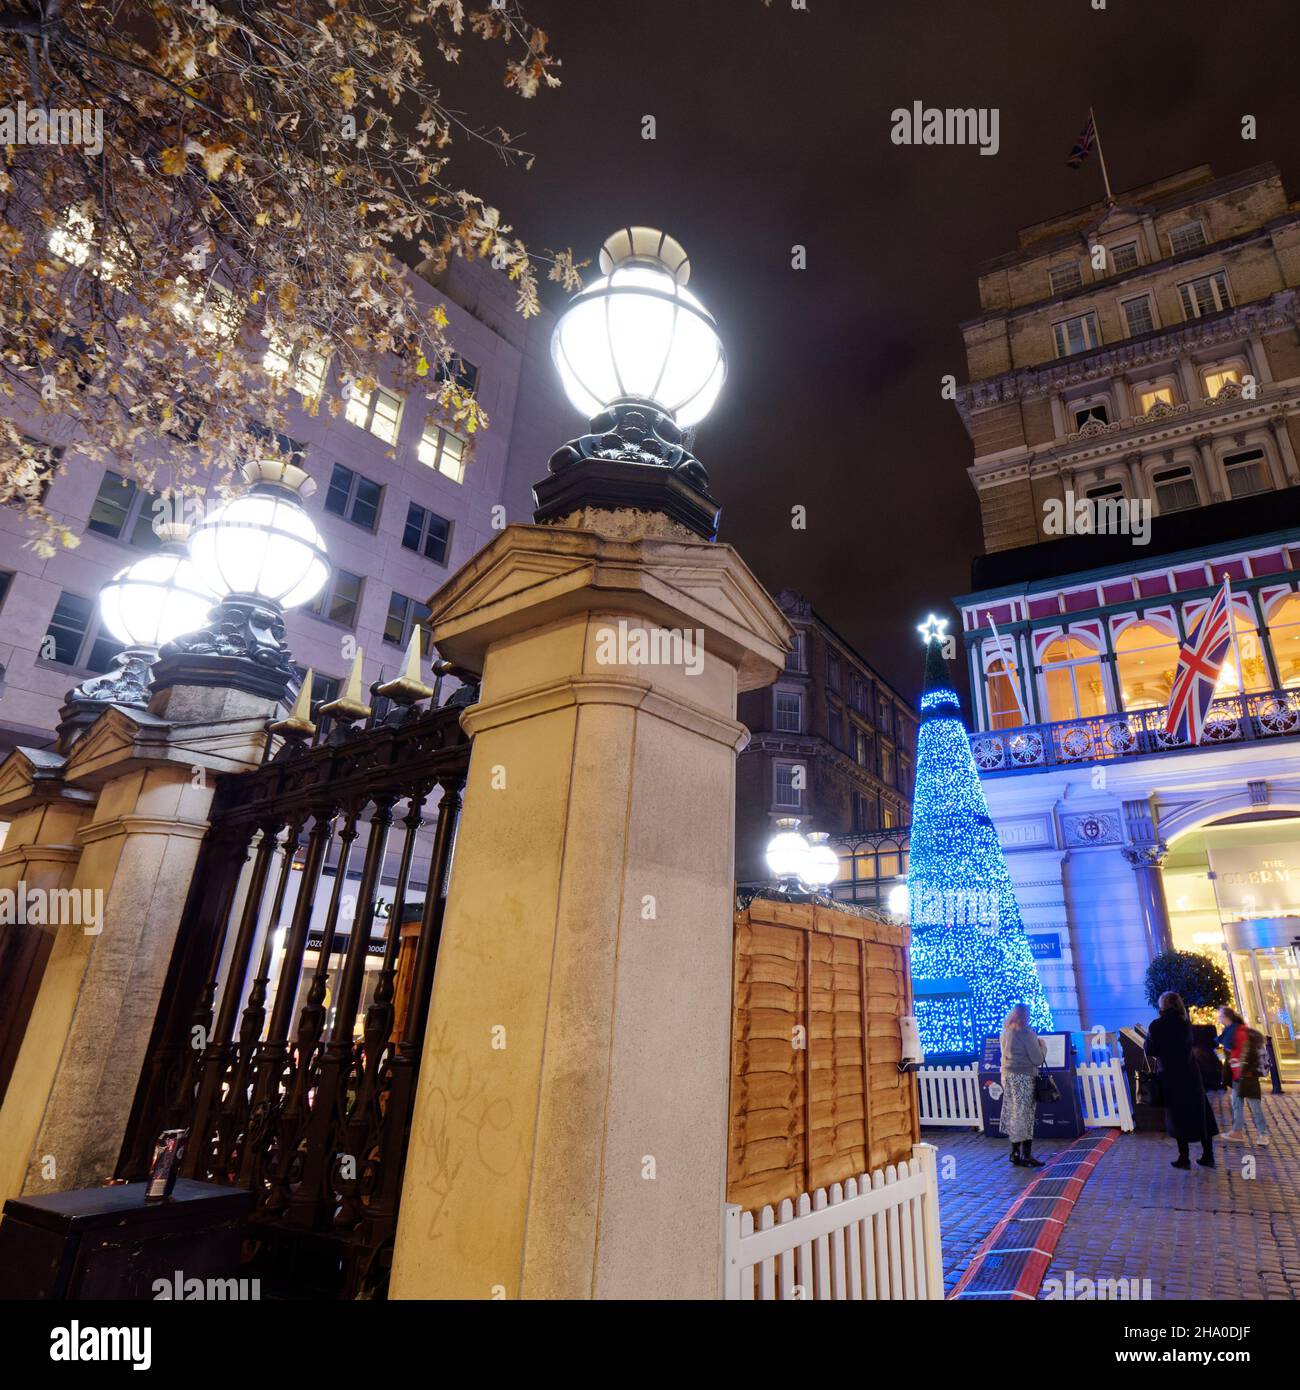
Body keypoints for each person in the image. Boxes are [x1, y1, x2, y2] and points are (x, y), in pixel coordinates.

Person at [1145, 991, 1219, 1169]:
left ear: (1162, 1006)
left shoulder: (1157, 1025)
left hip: (1171, 1076)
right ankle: (1208, 1154)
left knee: (1178, 1117)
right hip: (1191, 1074)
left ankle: (1183, 1157)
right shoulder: (1185, 1023)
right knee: (1200, 1114)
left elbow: (1151, 1050)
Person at [999, 1003, 1047, 1168]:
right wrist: (1043, 1046)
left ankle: (1015, 1153)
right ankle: (1026, 1155)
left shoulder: (1005, 1032)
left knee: (1015, 1115)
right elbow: (1037, 1059)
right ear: (1024, 1016)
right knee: (1025, 1116)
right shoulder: (1027, 1034)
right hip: (1025, 1078)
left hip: (1009, 1078)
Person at [1224, 1022, 1271, 1145]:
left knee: (1255, 1108)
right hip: (1237, 1079)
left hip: (1249, 1079)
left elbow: (1262, 1060)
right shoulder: (1234, 1040)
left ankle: (1263, 1134)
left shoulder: (1252, 1041)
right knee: (1237, 1106)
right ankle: (1237, 1131)